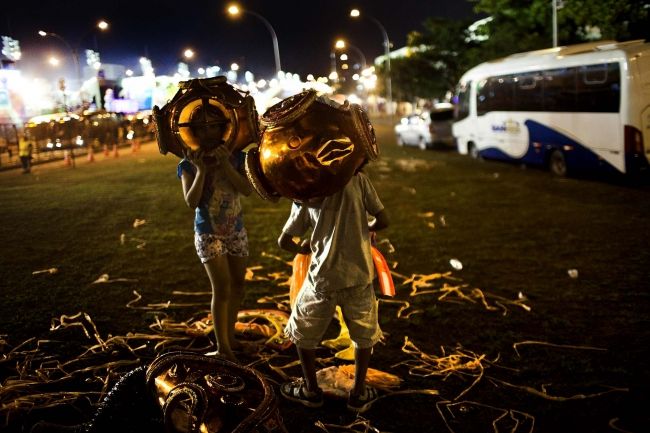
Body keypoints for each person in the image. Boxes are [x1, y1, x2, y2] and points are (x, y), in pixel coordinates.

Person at [277, 169, 389, 413]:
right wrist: (367, 227)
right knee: (363, 335)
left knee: (304, 332)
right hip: (358, 276)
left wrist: (303, 248)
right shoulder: (358, 180)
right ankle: (358, 394)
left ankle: (310, 390)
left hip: (322, 279)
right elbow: (384, 220)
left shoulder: (307, 187)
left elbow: (284, 242)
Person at [177, 106, 253, 363]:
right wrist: (201, 171)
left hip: (236, 230)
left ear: (223, 128)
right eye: (202, 127)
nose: (208, 132)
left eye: (213, 126)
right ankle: (223, 348)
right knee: (221, 287)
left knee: (238, 285)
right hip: (208, 233)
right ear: (194, 131)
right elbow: (191, 201)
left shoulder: (236, 157)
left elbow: (246, 189)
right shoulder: (187, 163)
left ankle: (230, 337)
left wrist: (224, 163)